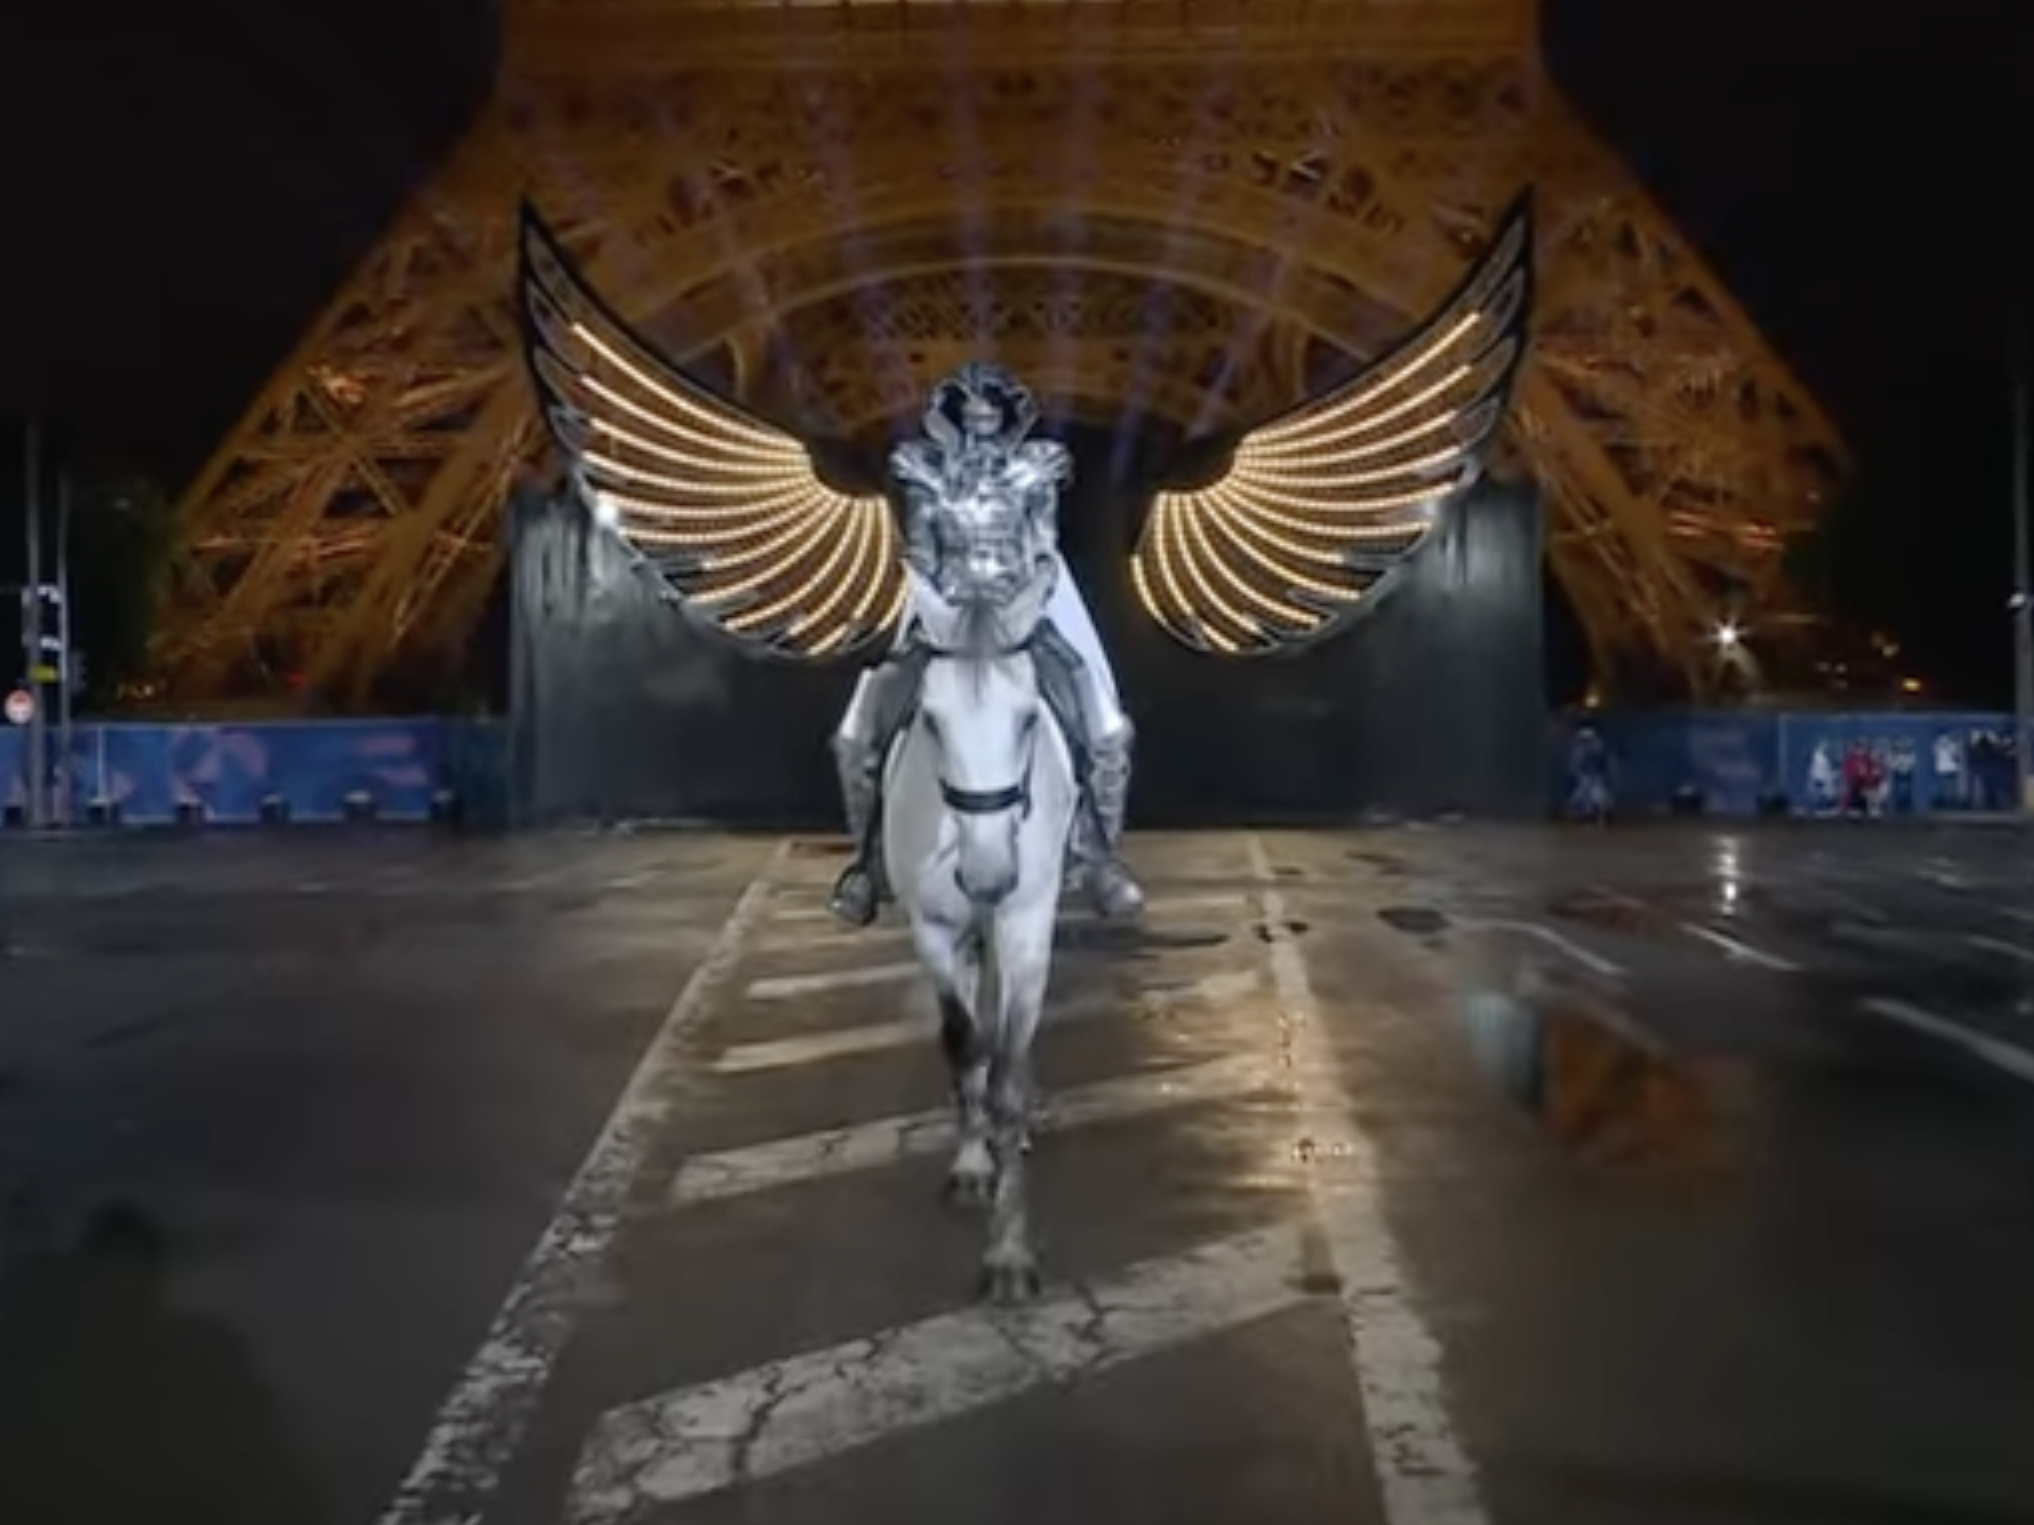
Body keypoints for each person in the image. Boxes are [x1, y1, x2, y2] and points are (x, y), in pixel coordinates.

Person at [827, 362, 1145, 928]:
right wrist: (936, 606)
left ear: (1007, 421)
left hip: (1021, 614)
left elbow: (1042, 549)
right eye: (969, 420)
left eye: (990, 419)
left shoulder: (1034, 471)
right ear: (951, 422)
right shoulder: (926, 473)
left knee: (1105, 728)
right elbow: (921, 552)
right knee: (857, 733)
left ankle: (1097, 857)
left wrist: (1026, 603)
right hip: (945, 620)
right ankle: (868, 864)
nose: (980, 431)